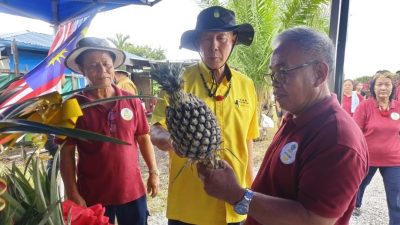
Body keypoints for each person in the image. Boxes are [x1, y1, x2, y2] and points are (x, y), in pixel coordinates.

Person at [197, 26, 368, 225]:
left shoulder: (337, 139)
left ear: (319, 74)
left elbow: (312, 221)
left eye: (284, 72)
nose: (275, 83)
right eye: (273, 74)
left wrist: (236, 194)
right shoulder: (296, 118)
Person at [150, 6, 259, 225]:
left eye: (222, 38)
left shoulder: (246, 85)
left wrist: (250, 185)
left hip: (233, 206)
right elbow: (155, 130)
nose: (214, 47)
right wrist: (172, 141)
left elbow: (247, 140)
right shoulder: (177, 85)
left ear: (234, 39)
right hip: (189, 207)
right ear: (198, 42)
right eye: (207, 38)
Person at [60, 37, 159, 225]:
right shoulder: (73, 105)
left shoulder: (131, 100)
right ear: (82, 70)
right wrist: (72, 192)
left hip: (132, 191)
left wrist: (153, 172)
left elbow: (143, 137)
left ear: (114, 66)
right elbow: (66, 153)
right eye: (94, 66)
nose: (103, 71)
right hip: (93, 195)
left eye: (107, 64)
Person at [353, 70, 400, 223]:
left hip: (394, 161)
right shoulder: (364, 107)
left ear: (392, 87)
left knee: (397, 202)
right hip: (367, 159)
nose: (383, 88)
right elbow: (354, 133)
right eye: (379, 84)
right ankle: (354, 206)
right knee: (356, 188)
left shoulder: (398, 107)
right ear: (373, 87)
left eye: (387, 84)